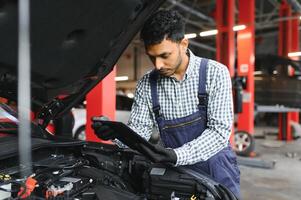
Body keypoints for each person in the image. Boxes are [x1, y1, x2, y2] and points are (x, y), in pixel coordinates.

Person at [92, 10, 240, 198]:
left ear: (183, 44)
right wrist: (116, 134)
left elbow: (219, 132)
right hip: (175, 173)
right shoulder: (147, 83)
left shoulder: (215, 73)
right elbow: (141, 130)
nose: (158, 65)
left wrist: (177, 155)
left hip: (216, 169)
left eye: (164, 55)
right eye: (152, 57)